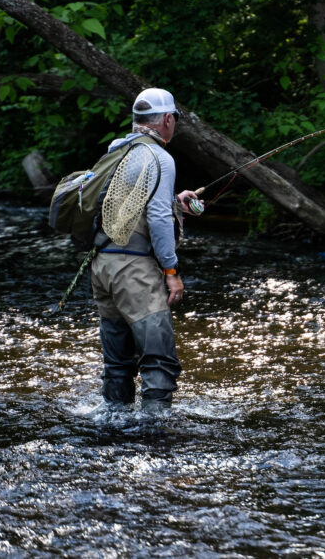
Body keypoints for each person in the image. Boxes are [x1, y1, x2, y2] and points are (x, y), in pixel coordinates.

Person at [89, 87, 199, 414]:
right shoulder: (160, 157)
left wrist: (173, 200)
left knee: (118, 362)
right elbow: (158, 218)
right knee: (160, 361)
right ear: (167, 119)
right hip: (134, 271)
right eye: (174, 119)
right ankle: (154, 434)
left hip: (102, 267)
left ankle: (114, 423)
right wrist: (171, 271)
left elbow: (126, 205)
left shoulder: (116, 150)